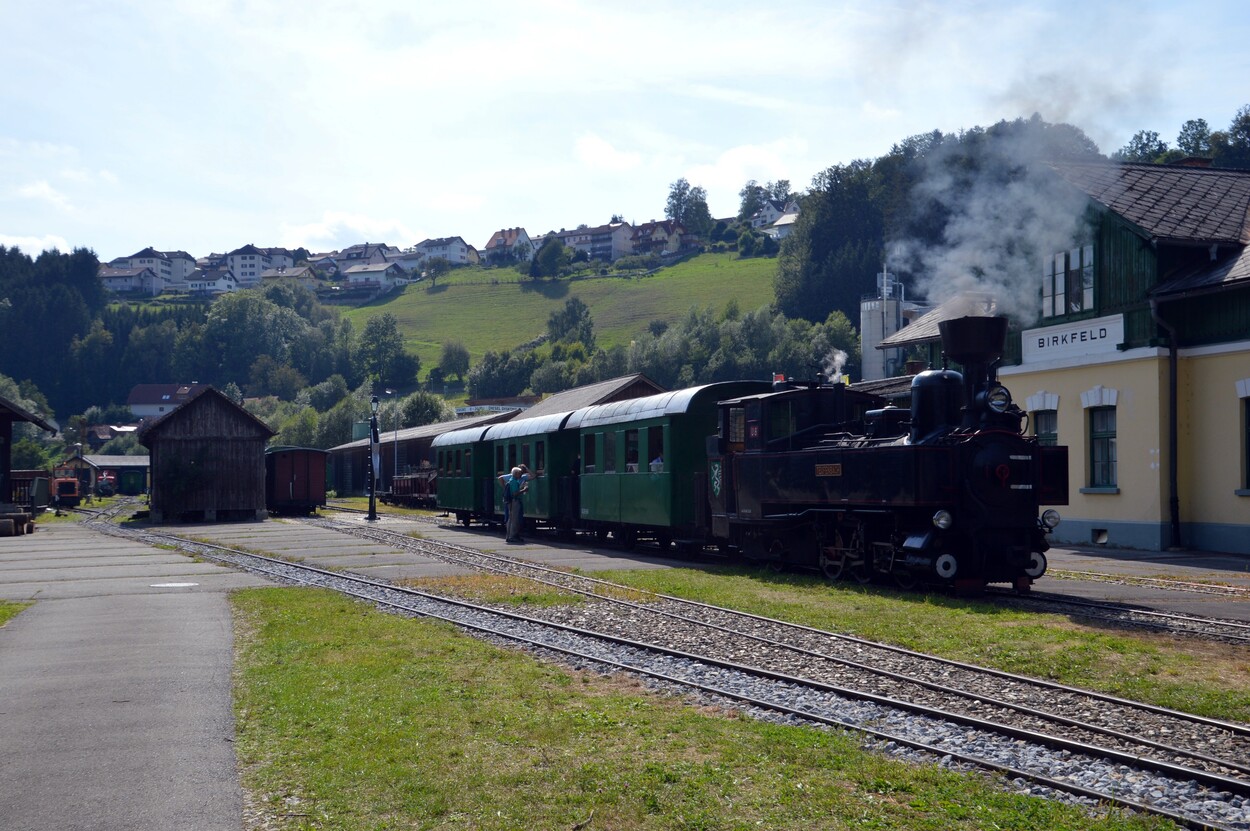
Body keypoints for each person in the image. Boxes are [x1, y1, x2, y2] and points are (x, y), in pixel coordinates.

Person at [498, 465, 530, 543]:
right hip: (514, 501)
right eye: (519, 473)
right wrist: (524, 490)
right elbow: (514, 494)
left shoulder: (511, 481)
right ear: (515, 473)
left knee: (512, 519)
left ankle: (511, 535)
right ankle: (512, 536)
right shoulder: (514, 482)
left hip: (512, 501)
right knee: (513, 519)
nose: (520, 474)